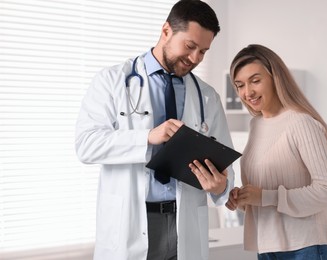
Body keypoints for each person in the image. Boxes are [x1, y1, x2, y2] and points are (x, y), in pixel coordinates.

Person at [75, 1, 235, 260]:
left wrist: (221, 186)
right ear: (166, 31)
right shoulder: (113, 80)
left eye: (203, 52)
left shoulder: (207, 97)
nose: (195, 58)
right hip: (132, 222)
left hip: (185, 223)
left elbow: (226, 168)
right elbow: (86, 145)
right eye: (190, 46)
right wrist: (147, 137)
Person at [225, 44, 327, 260]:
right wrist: (244, 199)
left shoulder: (301, 123)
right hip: (268, 246)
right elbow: (264, 197)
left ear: (275, 77)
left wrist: (265, 196)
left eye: (255, 81)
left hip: (306, 247)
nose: (247, 92)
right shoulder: (256, 125)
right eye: (240, 85)